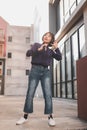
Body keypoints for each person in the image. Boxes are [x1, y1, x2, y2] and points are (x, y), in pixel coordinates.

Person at [16, 32, 62, 126]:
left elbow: (59, 57)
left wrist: (56, 48)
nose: (46, 37)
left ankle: (50, 117)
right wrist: (38, 50)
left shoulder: (50, 51)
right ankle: (25, 116)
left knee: (48, 94)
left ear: (51, 40)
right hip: (35, 70)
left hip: (46, 72)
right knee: (30, 93)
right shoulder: (36, 45)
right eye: (45, 35)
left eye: (49, 36)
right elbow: (28, 53)